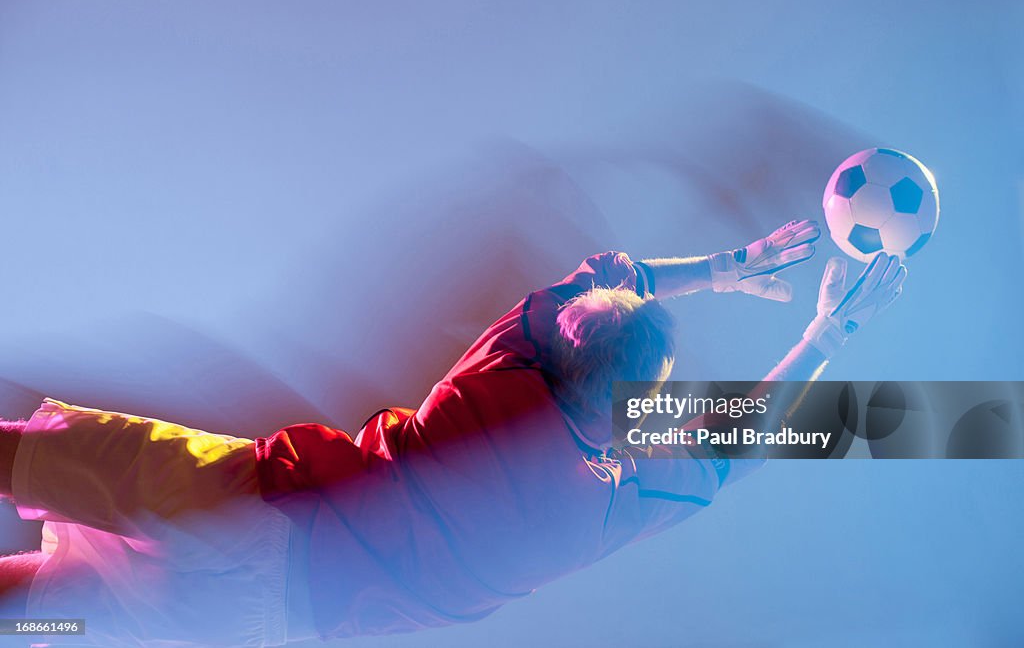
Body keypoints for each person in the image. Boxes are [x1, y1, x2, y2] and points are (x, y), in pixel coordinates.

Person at [0, 219, 906, 647]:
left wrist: (725, 267)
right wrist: (827, 331)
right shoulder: (600, 510)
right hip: (254, 620)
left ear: (560, 353)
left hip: (243, 507)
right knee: (51, 607)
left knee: (34, 457)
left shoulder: (500, 378)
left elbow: (603, 273)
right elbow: (741, 443)